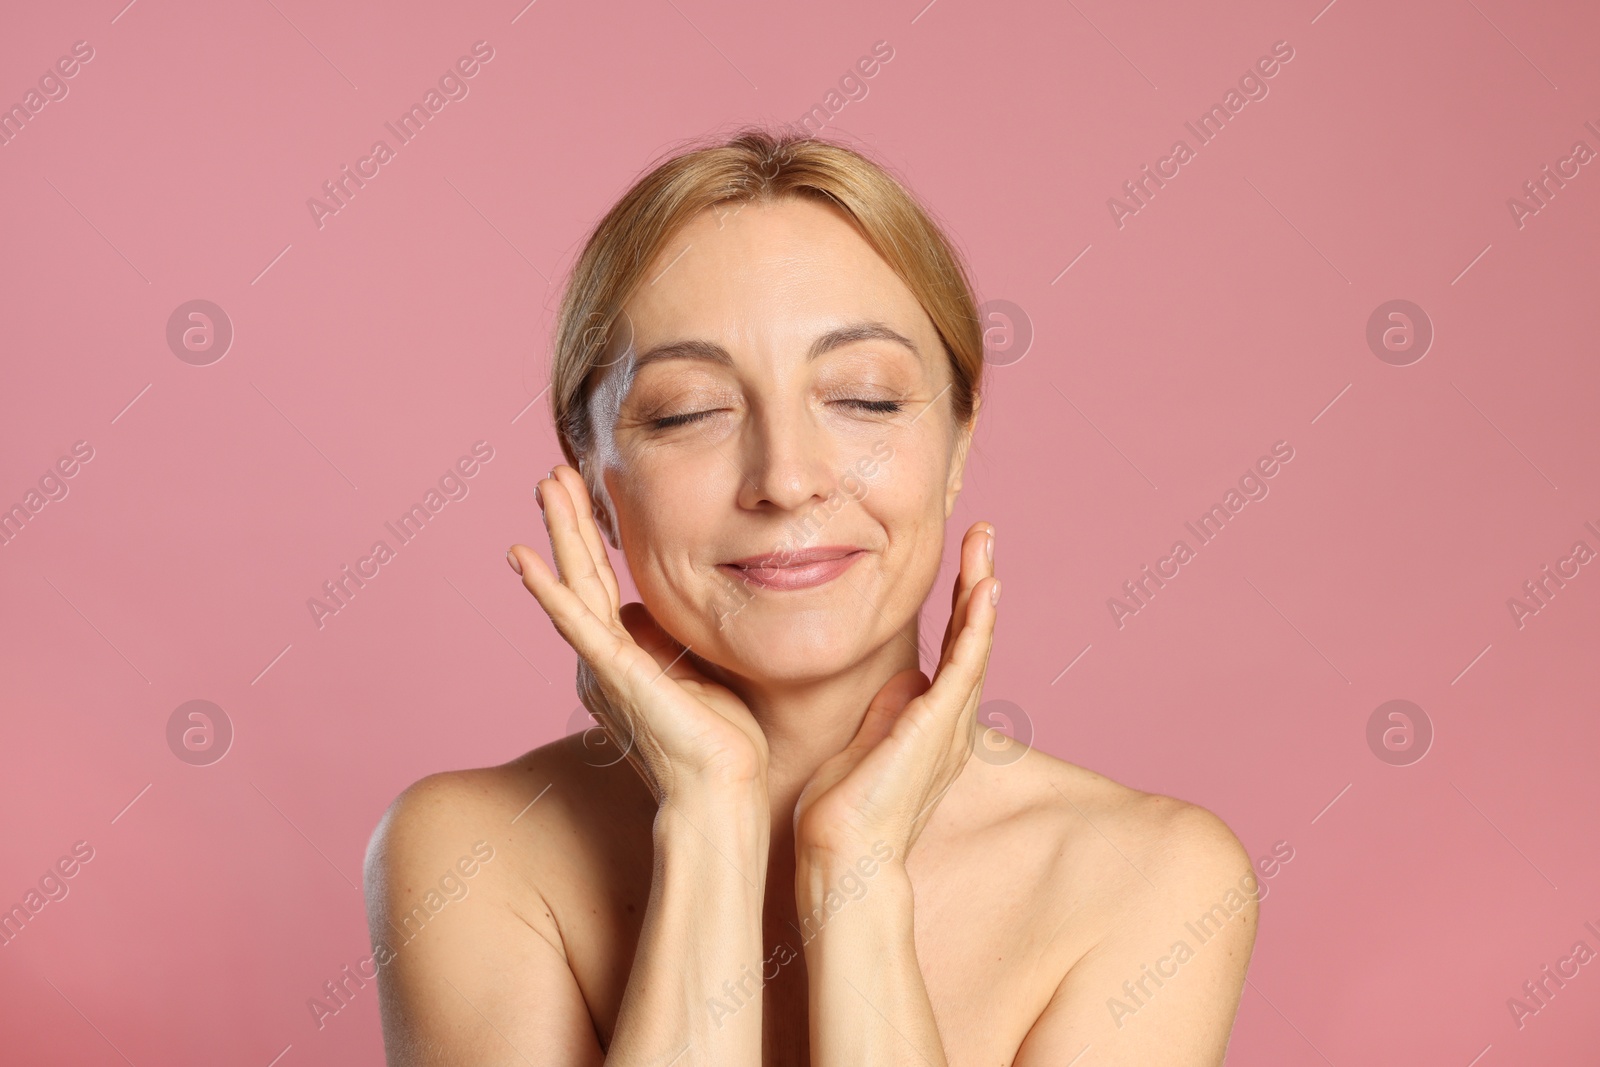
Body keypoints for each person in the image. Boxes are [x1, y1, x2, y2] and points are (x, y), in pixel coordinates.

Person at [363, 127, 1257, 1066]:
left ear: (956, 445)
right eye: (688, 411)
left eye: (865, 397)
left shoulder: (1154, 881)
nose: (786, 478)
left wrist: (856, 872)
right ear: (593, 482)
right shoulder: (467, 855)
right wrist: (709, 822)